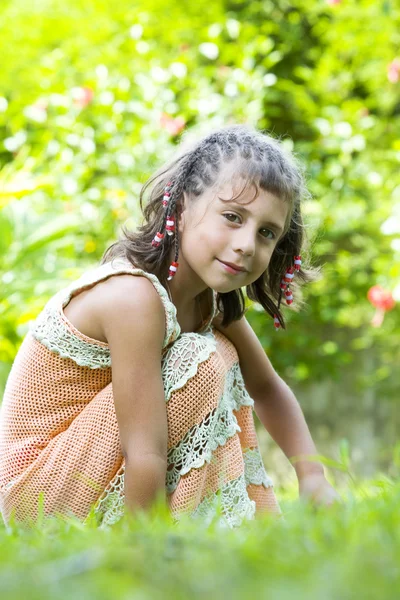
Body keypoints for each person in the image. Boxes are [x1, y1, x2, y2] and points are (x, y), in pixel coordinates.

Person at [0, 124, 340, 529]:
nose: (247, 244)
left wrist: (313, 476)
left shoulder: (207, 303)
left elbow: (267, 388)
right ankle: (155, 535)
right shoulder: (134, 298)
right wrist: (145, 552)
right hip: (35, 493)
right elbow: (145, 450)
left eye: (266, 233)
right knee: (199, 360)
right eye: (232, 217)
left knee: (217, 351)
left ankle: (220, 532)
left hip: (85, 469)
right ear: (180, 206)